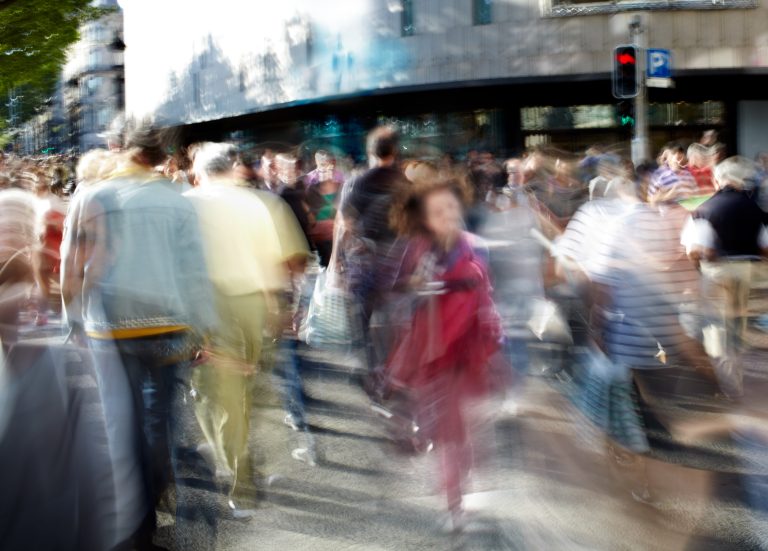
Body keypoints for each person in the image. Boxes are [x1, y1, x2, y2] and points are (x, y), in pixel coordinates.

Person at [61, 122, 218, 549]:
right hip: (170, 325)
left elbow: (71, 263)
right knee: (160, 420)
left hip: (110, 327)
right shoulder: (177, 199)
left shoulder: (93, 195)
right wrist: (205, 327)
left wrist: (69, 318)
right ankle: (153, 493)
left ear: (119, 148)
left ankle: (136, 523)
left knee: (121, 426)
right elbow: (194, 269)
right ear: (160, 154)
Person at [184, 142, 310, 517]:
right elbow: (294, 260)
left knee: (216, 399)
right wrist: (283, 307)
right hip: (258, 307)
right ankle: (248, 465)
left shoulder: (188, 205)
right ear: (234, 167)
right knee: (250, 393)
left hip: (208, 309)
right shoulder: (264, 203)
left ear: (200, 170)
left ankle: (242, 480)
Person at [383, 177, 502, 531]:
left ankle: (458, 484)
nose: (448, 215)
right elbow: (397, 292)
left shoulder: (474, 245)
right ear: (424, 219)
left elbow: (487, 294)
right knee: (450, 432)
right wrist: (416, 286)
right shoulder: (418, 250)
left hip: (471, 349)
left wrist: (496, 340)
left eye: (451, 206)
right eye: (437, 211)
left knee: (470, 428)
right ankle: (454, 504)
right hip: (434, 354)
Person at [681, 156, 768, 398]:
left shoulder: (703, 209)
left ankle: (725, 383)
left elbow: (694, 250)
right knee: (738, 327)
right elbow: (765, 248)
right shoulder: (757, 210)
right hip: (748, 272)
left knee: (717, 328)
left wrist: (699, 270)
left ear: (717, 179)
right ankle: (738, 377)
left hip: (717, 272)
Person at [339, 126, 409, 374]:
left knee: (362, 317)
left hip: (364, 259)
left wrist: (338, 261)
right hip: (397, 260)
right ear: (395, 151)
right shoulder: (405, 183)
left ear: (370, 151)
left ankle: (369, 366)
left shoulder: (358, 182)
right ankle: (391, 369)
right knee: (393, 317)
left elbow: (346, 223)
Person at [0, 179, 39, 354]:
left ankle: (9, 345)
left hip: (13, 263)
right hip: (15, 262)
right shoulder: (23, 209)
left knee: (9, 313)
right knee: (10, 313)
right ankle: (9, 345)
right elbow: (31, 241)